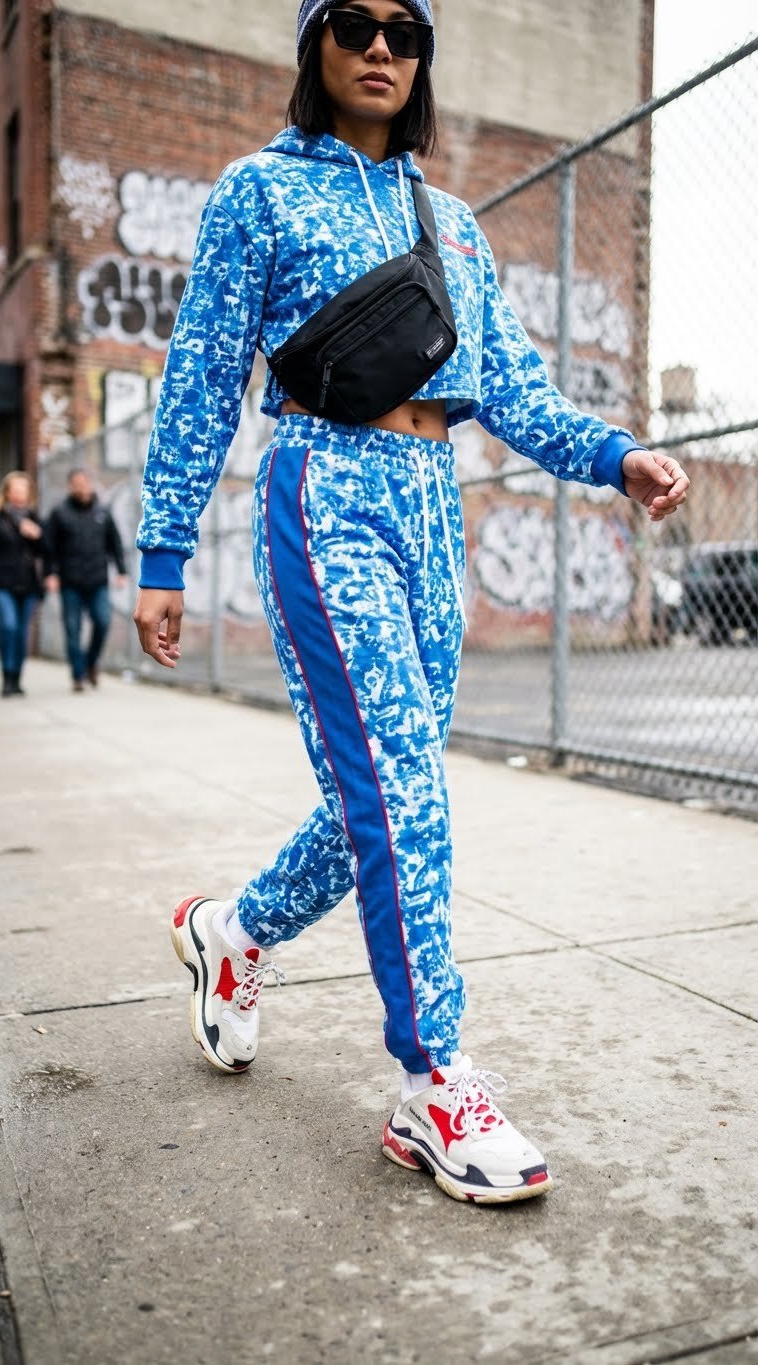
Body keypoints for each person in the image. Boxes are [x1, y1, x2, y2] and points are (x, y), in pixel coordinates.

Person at [134, 0, 690, 1205]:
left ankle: (232, 934)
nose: (380, 46)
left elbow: (513, 390)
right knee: (401, 786)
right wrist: (164, 553)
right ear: (313, 47)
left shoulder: (450, 222)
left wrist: (615, 453)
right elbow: (200, 376)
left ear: (423, 54)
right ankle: (434, 1082)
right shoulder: (258, 192)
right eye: (351, 23)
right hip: (325, 490)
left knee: (379, 792)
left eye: (405, 28)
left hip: (430, 500)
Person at [44, 468, 127, 691]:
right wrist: (50, 573)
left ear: (90, 483)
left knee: (102, 621)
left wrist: (121, 571)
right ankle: (78, 675)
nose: (81, 486)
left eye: (84, 482)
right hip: (70, 581)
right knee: (73, 630)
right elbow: (48, 547)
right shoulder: (59, 513)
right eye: (76, 483)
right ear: (70, 486)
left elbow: (115, 543)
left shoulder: (103, 511)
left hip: (97, 579)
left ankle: (91, 662)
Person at [0, 471, 47, 697]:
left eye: (23, 490)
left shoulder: (34, 518)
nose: (20, 494)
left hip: (29, 584)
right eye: (15, 490)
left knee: (22, 633)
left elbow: (47, 552)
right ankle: (6, 676)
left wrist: (37, 536)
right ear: (7, 493)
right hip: (3, 583)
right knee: (9, 627)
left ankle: (16, 679)